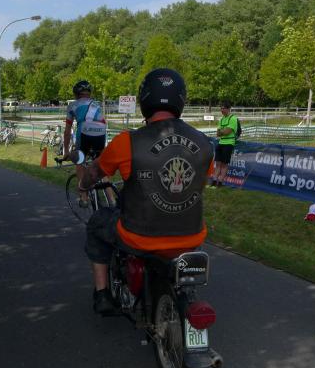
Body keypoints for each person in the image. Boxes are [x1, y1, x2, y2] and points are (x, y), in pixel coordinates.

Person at [78, 68, 214, 314]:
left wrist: (83, 184)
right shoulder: (205, 143)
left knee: (97, 223)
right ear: (180, 99)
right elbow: (201, 180)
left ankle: (102, 294)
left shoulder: (126, 142)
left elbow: (95, 172)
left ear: (145, 99)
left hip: (139, 237)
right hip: (191, 238)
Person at [63, 81, 108, 207]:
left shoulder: (72, 105)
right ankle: (112, 199)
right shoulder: (96, 104)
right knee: (100, 165)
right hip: (101, 132)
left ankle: (84, 197)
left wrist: (66, 151)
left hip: (84, 131)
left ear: (76, 94)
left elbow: (67, 132)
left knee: (80, 161)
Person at [210, 101, 240, 187]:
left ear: (228, 109)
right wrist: (222, 132)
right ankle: (214, 181)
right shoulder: (221, 119)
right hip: (221, 142)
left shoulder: (233, 118)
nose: (222, 110)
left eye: (223, 108)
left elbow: (227, 132)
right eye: (221, 108)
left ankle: (220, 182)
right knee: (218, 163)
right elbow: (217, 133)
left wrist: (221, 132)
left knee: (224, 164)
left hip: (229, 143)